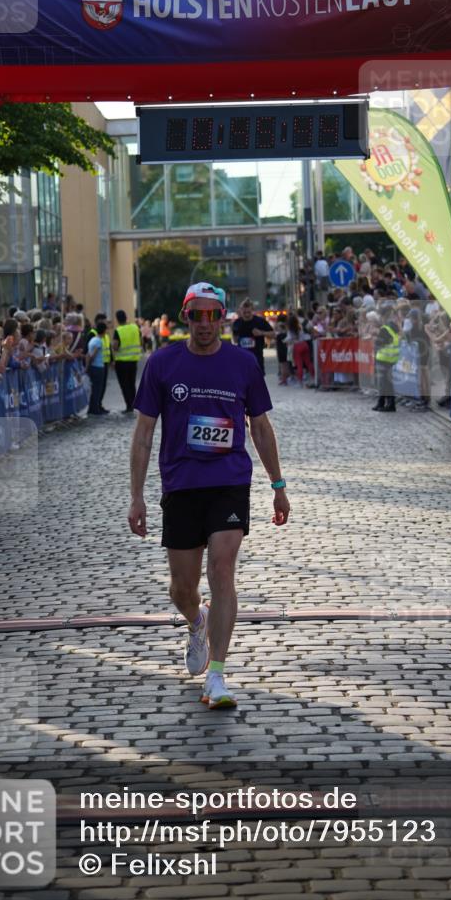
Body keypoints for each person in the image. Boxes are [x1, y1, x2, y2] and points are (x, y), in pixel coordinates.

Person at [128, 282, 290, 709]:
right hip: (180, 485)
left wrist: (278, 486)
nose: (205, 324)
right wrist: (136, 496)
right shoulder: (163, 363)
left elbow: (260, 427)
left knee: (222, 569)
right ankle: (195, 619)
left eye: (212, 315)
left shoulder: (242, 364)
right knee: (182, 588)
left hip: (229, 481)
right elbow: (144, 434)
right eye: (196, 315)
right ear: (185, 317)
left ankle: (216, 676)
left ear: (223, 318)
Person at [231, 298, 274, 375]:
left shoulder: (260, 321)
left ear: (252, 311)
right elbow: (235, 340)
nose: (247, 314)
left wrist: (261, 333)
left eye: (249, 312)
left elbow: (273, 334)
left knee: (258, 383)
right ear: (241, 311)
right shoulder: (237, 323)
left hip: (257, 358)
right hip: (242, 359)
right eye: (244, 312)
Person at [372, 303, 400, 412]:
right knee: (387, 382)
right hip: (391, 359)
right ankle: (383, 403)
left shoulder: (385, 329)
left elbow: (379, 344)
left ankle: (388, 404)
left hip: (383, 358)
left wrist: (375, 341)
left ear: (383, 316)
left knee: (384, 383)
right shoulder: (393, 326)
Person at [113, 309, 141, 414]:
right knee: (131, 383)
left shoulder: (118, 330)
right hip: (133, 360)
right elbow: (140, 340)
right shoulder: (135, 327)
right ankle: (134, 404)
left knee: (124, 384)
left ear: (117, 319)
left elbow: (115, 346)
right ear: (126, 317)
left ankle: (129, 406)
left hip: (122, 361)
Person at [86, 322, 109, 416]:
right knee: (97, 389)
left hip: (94, 367)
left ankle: (92, 408)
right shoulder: (99, 341)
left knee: (94, 388)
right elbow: (93, 355)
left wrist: (87, 366)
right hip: (98, 367)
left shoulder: (93, 339)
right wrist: (89, 365)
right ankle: (95, 409)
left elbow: (88, 354)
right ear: (104, 331)